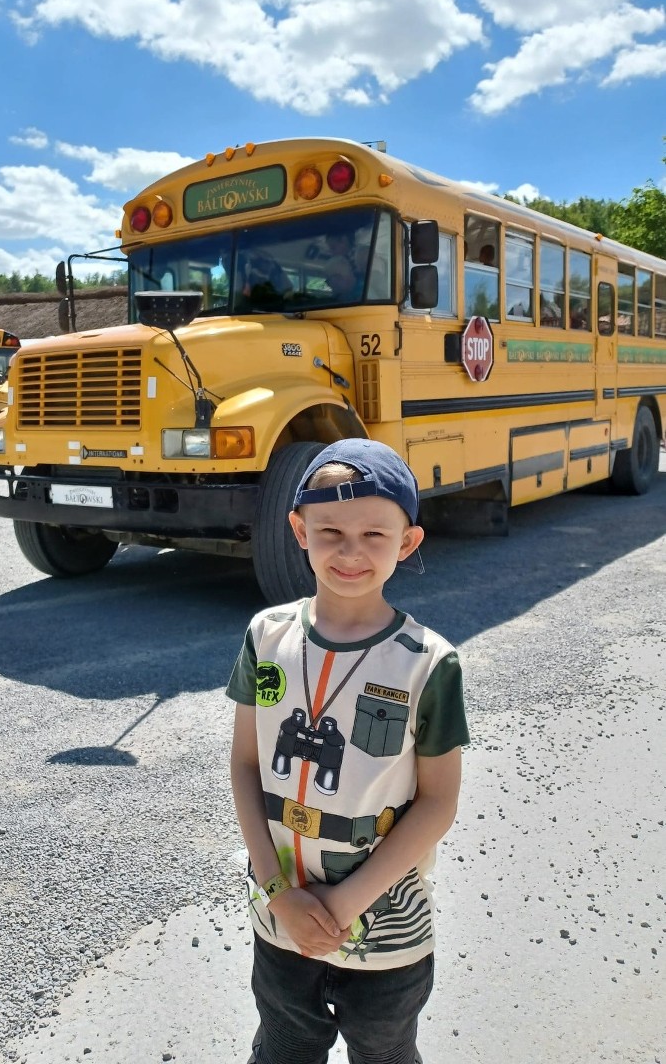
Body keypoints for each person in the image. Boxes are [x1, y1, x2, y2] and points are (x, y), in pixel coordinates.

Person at [228, 438, 469, 1064]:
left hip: (386, 932)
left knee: (385, 1052)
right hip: (279, 917)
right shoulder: (266, 636)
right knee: (282, 1045)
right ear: (298, 529)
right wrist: (278, 890)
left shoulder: (428, 662)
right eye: (329, 530)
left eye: (374, 534)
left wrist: (342, 904)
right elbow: (247, 764)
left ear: (408, 543)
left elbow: (438, 803)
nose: (350, 551)